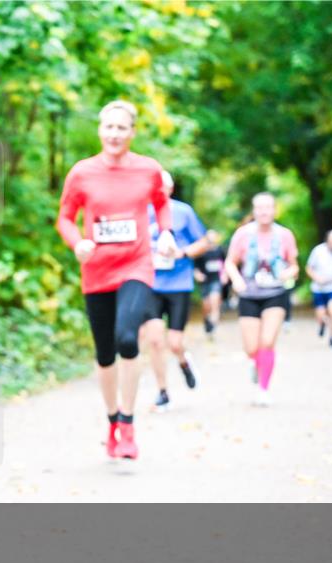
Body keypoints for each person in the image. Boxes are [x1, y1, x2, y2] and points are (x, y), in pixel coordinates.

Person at [56, 100, 176, 460]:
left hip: (136, 265)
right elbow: (65, 218)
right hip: (96, 271)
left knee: (127, 337)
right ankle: (112, 422)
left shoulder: (148, 169)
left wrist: (166, 233)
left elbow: (161, 203)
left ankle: (128, 422)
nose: (114, 134)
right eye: (109, 127)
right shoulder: (82, 173)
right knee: (105, 353)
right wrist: (77, 243)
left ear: (132, 132)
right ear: (100, 130)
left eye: (122, 127)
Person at [141, 170, 209, 412]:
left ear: (170, 189)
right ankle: (163, 392)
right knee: (154, 340)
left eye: (163, 187)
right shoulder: (141, 212)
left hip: (179, 284)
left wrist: (182, 253)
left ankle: (184, 362)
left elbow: (203, 241)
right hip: (150, 283)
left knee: (174, 342)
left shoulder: (183, 211)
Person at [224, 193, 300, 406]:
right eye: (260, 208)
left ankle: (263, 390)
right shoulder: (243, 234)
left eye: (268, 207)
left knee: (267, 342)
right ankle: (256, 363)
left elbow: (294, 265)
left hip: (275, 294)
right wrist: (236, 280)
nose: (264, 212)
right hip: (248, 294)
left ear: (274, 210)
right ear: (254, 211)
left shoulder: (284, 235)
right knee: (251, 348)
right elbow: (230, 262)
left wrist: (288, 273)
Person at [194, 229, 227, 338]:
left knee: (215, 302)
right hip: (205, 281)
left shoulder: (220, 250)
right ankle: (207, 322)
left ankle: (213, 326)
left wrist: (224, 275)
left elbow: (226, 263)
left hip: (216, 280)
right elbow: (195, 266)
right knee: (206, 306)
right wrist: (197, 274)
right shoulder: (201, 251)